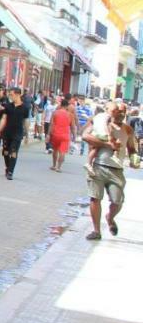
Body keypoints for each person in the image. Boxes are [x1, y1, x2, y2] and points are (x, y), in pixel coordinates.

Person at [83, 100, 129, 241]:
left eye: (123, 111)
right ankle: (96, 230)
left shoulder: (127, 129)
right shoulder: (99, 121)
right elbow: (85, 136)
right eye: (117, 110)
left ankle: (110, 217)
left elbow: (132, 148)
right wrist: (106, 144)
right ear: (110, 110)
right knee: (95, 198)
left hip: (117, 169)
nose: (120, 114)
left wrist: (133, 157)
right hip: (98, 166)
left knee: (117, 201)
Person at [0, 86, 29, 180]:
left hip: (17, 133)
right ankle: (8, 167)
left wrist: (27, 134)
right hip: (7, 132)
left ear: (18, 94)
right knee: (5, 152)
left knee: (14, 151)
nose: (10, 96)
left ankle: (10, 172)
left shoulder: (25, 108)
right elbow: (4, 119)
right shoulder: (8, 106)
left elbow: (26, 121)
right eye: (10, 95)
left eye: (12, 94)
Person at [48, 97, 73, 172]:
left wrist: (48, 134)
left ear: (61, 105)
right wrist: (74, 135)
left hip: (56, 134)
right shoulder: (70, 114)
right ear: (67, 106)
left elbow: (51, 124)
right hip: (65, 135)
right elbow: (72, 126)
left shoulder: (55, 112)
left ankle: (54, 165)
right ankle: (59, 167)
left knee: (55, 150)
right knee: (62, 151)